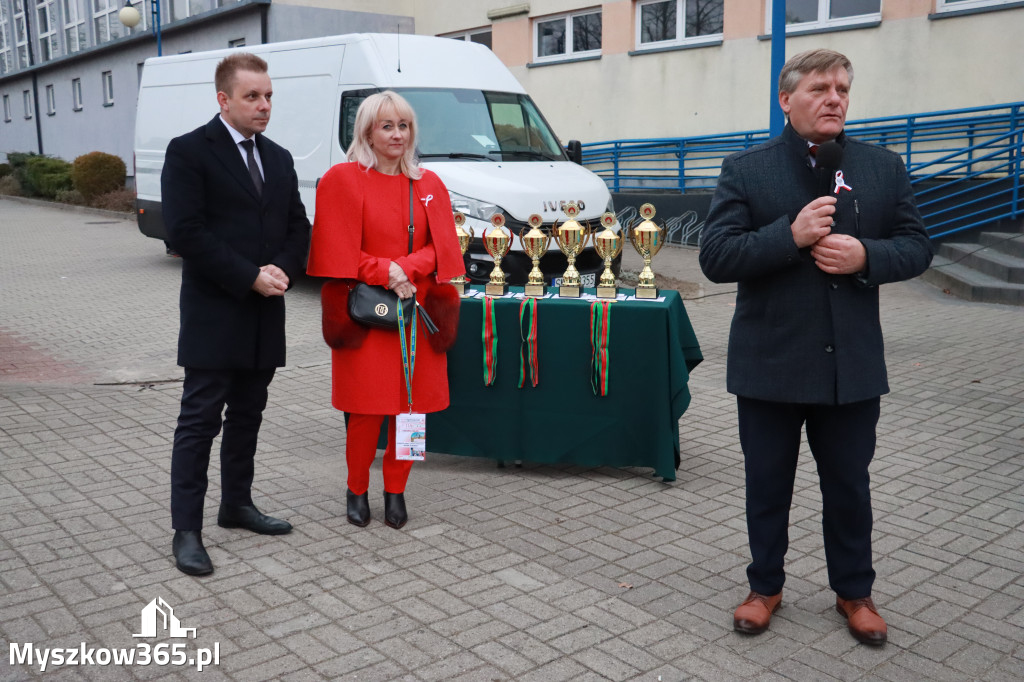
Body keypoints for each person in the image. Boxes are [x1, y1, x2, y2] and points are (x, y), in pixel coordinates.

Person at [698, 49, 932, 645]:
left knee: (850, 487)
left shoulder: (882, 167)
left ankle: (854, 593)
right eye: (821, 88)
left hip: (849, 367)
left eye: (843, 89)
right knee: (767, 485)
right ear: (787, 99)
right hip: (771, 362)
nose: (835, 98)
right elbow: (716, 257)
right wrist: (789, 236)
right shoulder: (746, 168)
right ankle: (764, 586)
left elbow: (917, 246)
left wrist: (867, 257)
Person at [162, 53, 311, 576]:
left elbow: (298, 226)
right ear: (223, 99)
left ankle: (236, 505)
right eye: (253, 96)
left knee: (249, 413)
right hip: (215, 311)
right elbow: (184, 230)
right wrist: (249, 275)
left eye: (268, 95)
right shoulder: (188, 152)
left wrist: (284, 270)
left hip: (264, 312)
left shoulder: (280, 157)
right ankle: (187, 530)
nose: (264, 105)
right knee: (200, 420)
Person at [306, 91, 464, 530]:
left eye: (404, 126)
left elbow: (444, 247)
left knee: (411, 411)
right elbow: (334, 250)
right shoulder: (342, 179)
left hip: (418, 310)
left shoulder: (428, 184)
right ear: (368, 132)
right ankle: (357, 487)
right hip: (368, 314)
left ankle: (396, 489)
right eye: (387, 126)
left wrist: (406, 268)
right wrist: (385, 270)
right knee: (366, 409)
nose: (397, 134)